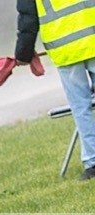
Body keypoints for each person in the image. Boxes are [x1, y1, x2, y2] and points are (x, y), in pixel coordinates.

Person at [16, 0, 95, 181]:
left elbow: (28, 19)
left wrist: (23, 53)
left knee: (81, 108)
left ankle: (92, 162)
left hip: (66, 50)